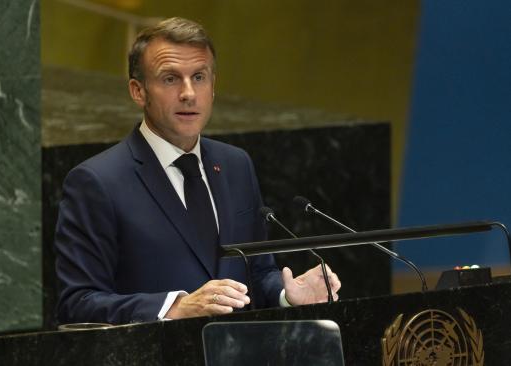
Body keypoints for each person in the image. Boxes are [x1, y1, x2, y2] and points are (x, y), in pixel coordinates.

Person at [54, 17, 341, 325]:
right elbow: (78, 303)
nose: (189, 93)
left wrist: (287, 296)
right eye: (170, 79)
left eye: (199, 77)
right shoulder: (97, 181)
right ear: (138, 91)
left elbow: (257, 272)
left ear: (213, 87)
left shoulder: (236, 165)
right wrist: (173, 307)